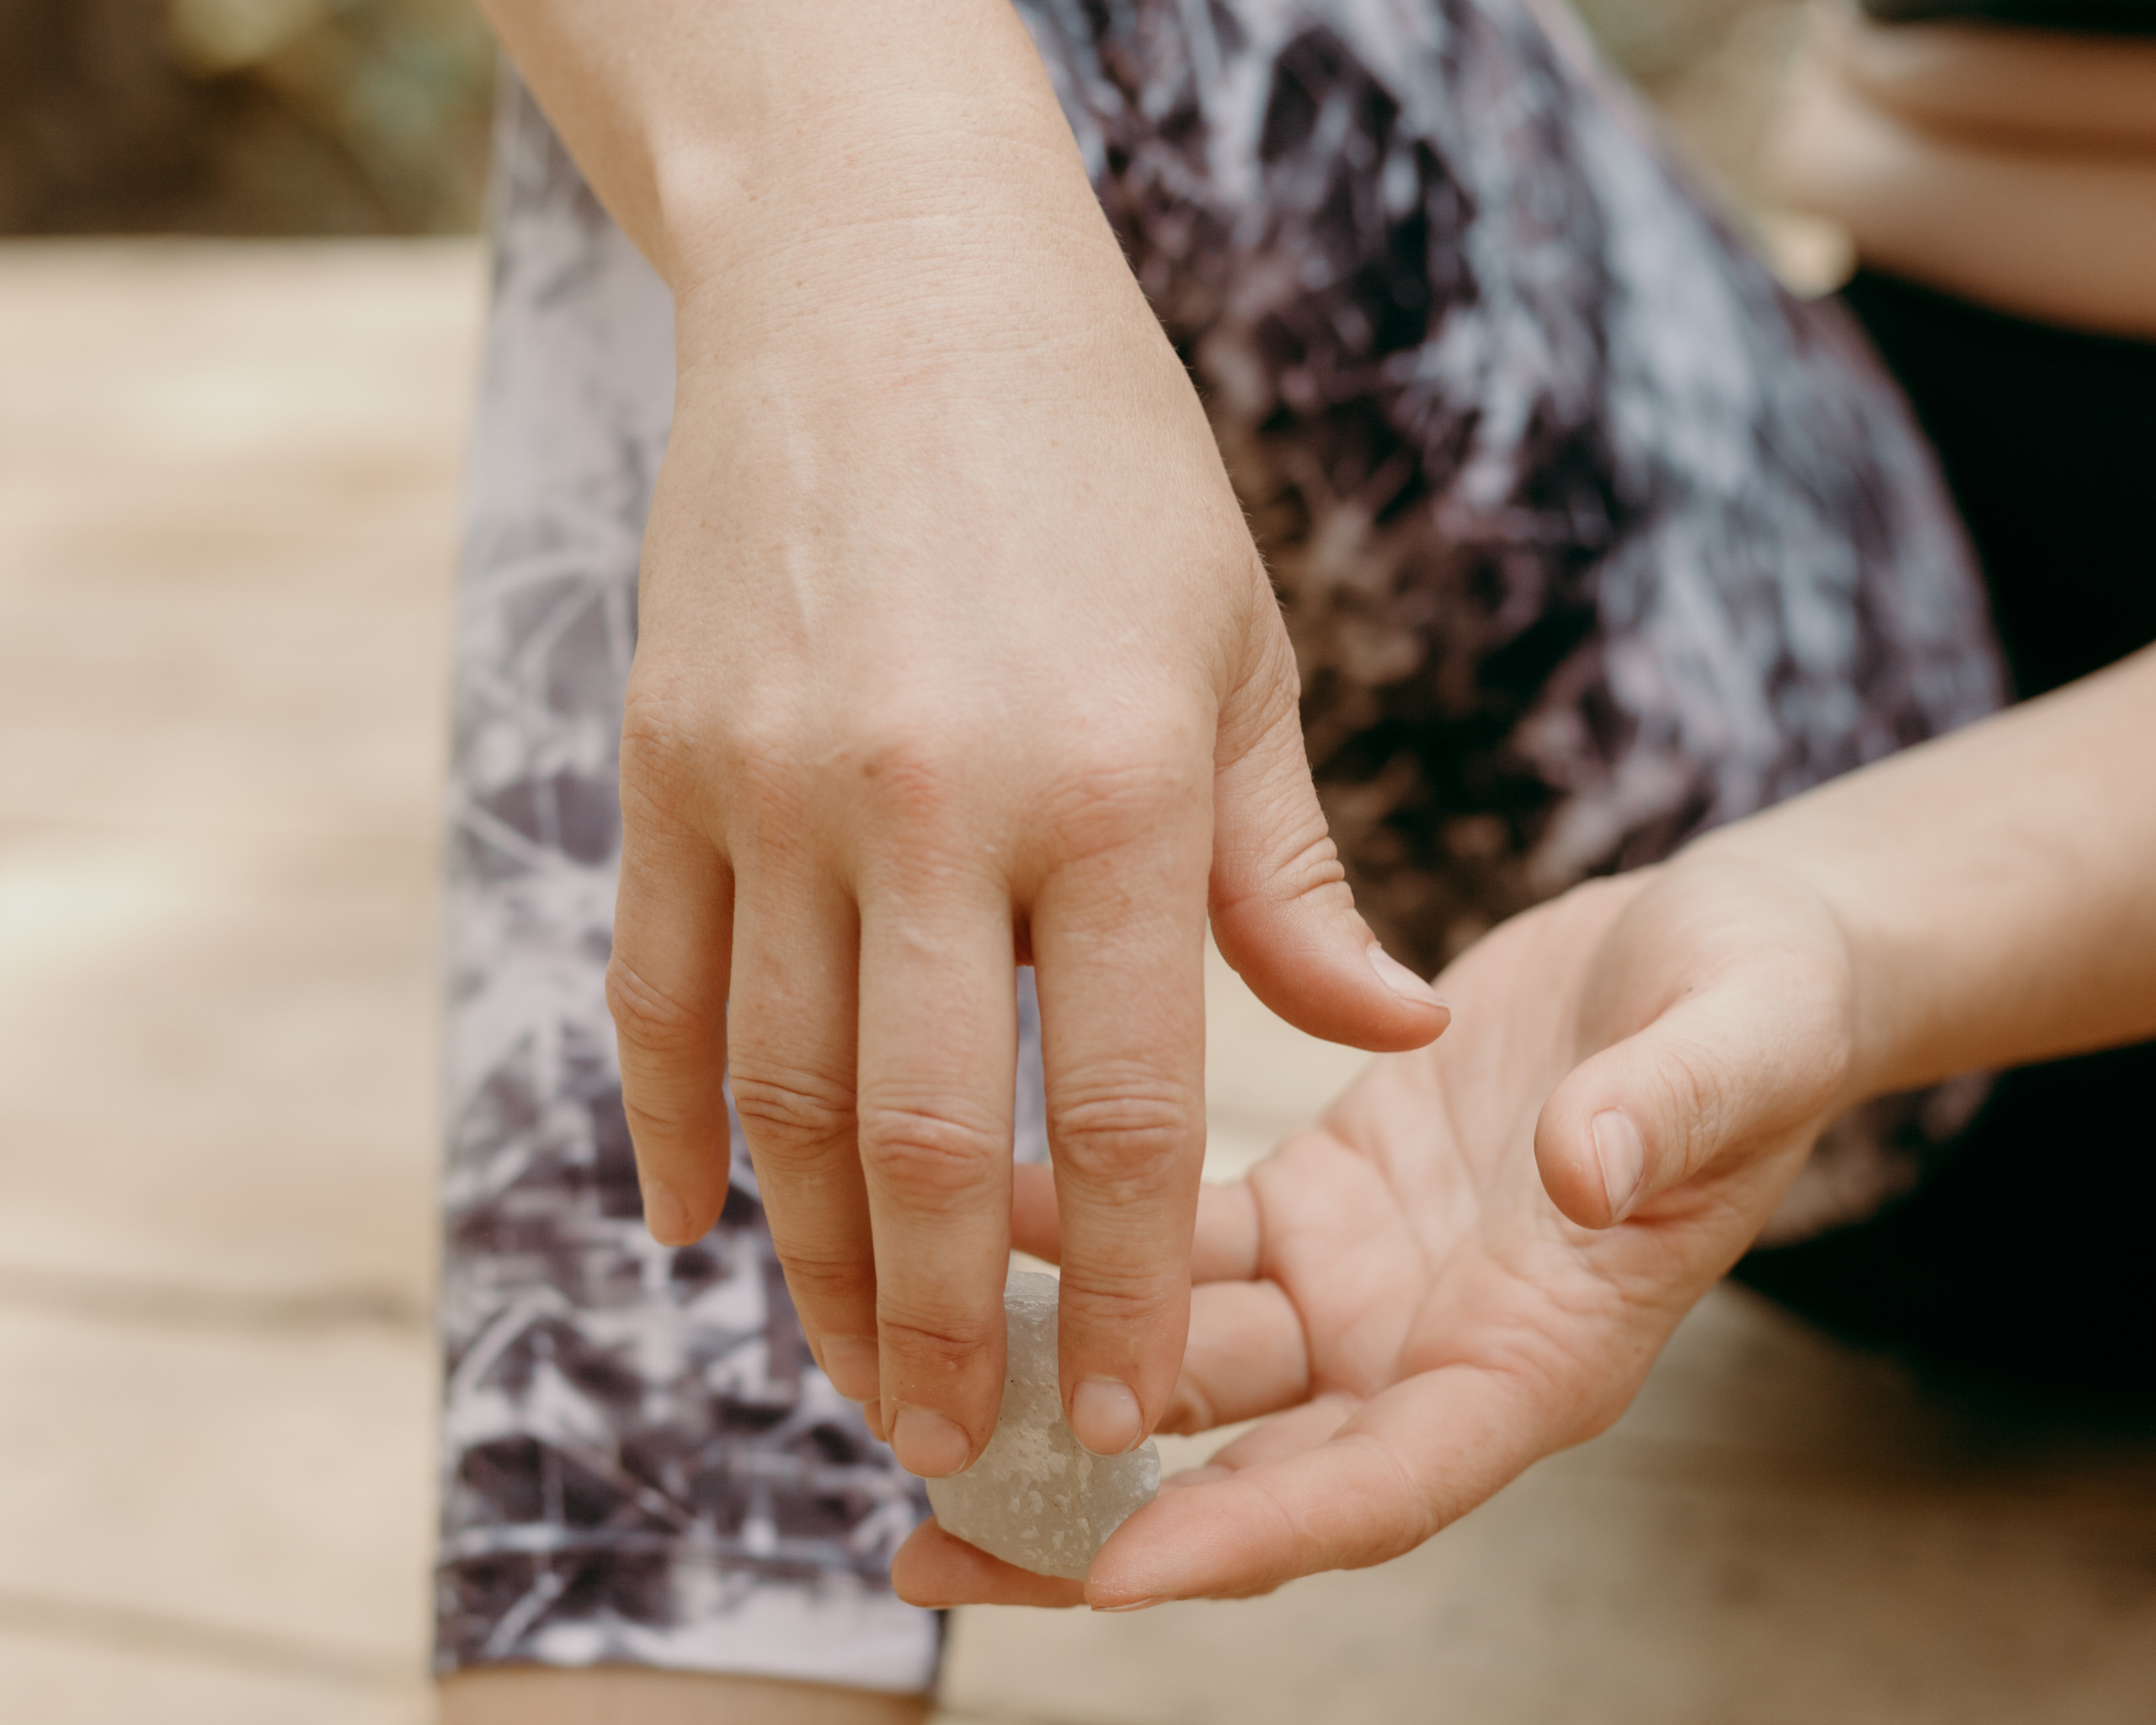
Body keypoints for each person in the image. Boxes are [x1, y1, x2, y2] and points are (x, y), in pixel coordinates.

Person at [432, 0, 2152, 1717]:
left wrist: (1863, 912)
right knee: (804, 94)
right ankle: (687, 1641)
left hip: (1994, 958)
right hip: (1851, 651)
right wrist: (879, 266)